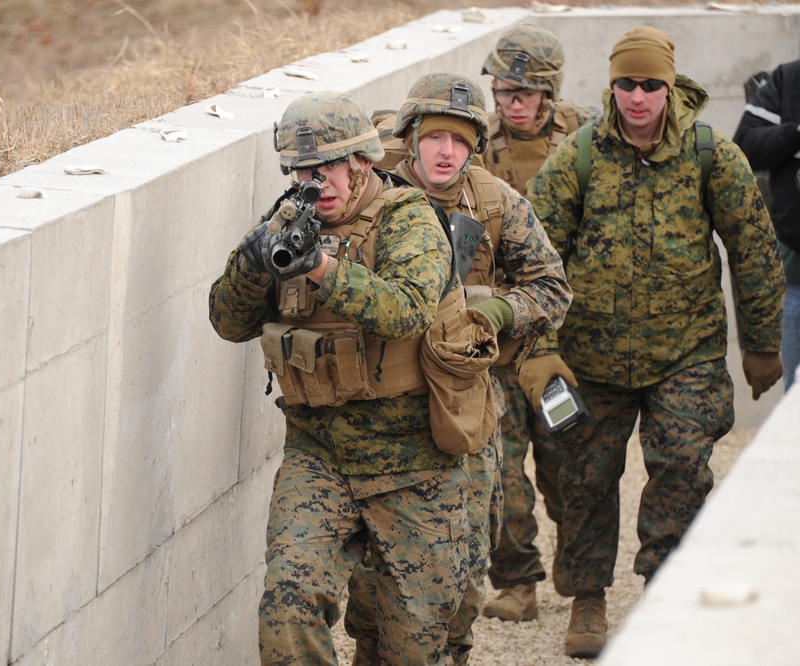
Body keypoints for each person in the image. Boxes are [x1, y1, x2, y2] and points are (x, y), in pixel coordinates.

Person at [209, 90, 564, 664]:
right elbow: (228, 323)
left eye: (325, 167)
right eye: (299, 169)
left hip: (416, 461)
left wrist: (323, 269)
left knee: (414, 648)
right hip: (320, 455)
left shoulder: (410, 218)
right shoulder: (286, 220)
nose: (313, 181)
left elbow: (405, 310)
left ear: (362, 163)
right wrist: (250, 268)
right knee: (287, 607)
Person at [527, 26, 785, 659]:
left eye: (649, 85)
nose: (637, 97)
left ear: (669, 87)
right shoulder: (579, 157)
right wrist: (539, 346)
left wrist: (761, 342)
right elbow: (533, 255)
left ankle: (662, 589)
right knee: (584, 475)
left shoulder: (710, 156)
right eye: (625, 84)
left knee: (680, 465)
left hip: (686, 353)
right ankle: (587, 597)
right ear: (611, 85)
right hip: (592, 357)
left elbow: (752, 248)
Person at [343, 73, 572, 663]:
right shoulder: (369, 194)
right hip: (380, 413)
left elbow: (552, 287)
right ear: (412, 136)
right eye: (436, 137)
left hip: (462, 409)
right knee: (374, 570)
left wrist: (495, 308)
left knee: (466, 561)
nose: (448, 153)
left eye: (463, 141)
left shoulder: (494, 202)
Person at [478, 23, 600, 625]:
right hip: (498, 342)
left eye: (523, 93)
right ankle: (517, 581)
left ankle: (581, 582)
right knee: (500, 473)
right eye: (503, 92)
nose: (512, 103)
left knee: (568, 468)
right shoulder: (477, 144)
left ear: (549, 92)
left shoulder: (584, 138)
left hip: (559, 343)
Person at [734, 58, 800, 391]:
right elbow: (744, 145)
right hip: (794, 273)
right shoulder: (789, 79)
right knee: (795, 398)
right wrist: (795, 133)